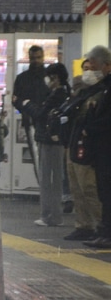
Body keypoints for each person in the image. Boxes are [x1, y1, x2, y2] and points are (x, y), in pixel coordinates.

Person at [61, 59, 104, 241]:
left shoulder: (102, 94)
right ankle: (83, 225)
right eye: (85, 69)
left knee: (89, 187)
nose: (88, 73)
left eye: (92, 70)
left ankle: (101, 225)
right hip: (73, 143)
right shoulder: (81, 93)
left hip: (88, 147)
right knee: (76, 187)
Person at [77, 47, 111, 247]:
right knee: (103, 192)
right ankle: (104, 231)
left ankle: (107, 233)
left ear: (106, 65)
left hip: (106, 148)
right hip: (101, 150)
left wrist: (90, 128)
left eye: (95, 67)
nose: (92, 71)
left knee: (107, 192)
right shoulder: (103, 87)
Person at [30, 61, 69, 227]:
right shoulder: (65, 93)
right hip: (53, 140)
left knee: (49, 179)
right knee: (53, 178)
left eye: (49, 77)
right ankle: (51, 215)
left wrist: (26, 105)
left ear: (55, 78)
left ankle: (50, 216)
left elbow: (40, 114)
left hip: (49, 140)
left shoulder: (56, 95)